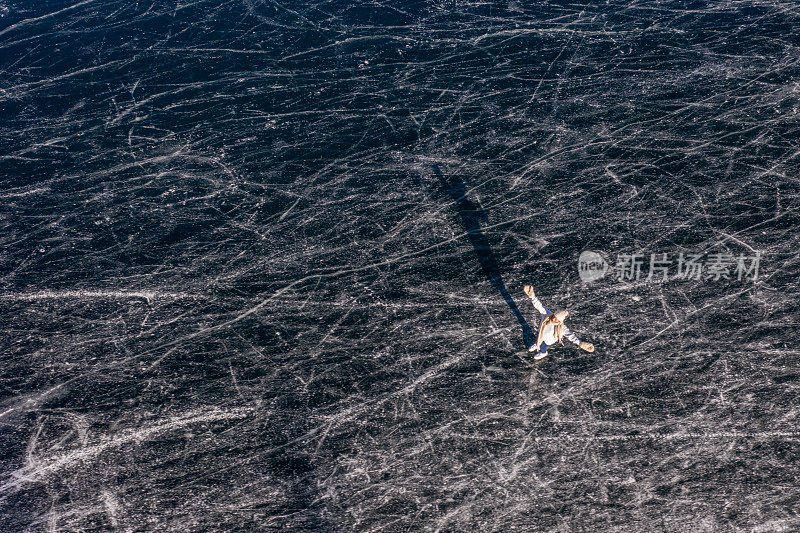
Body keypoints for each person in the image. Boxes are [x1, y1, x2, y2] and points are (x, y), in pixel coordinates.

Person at [523, 285, 594, 360]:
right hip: (541, 333)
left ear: (560, 321)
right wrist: (532, 297)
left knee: (543, 347)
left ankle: (543, 352)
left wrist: (580, 343)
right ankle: (537, 344)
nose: (554, 319)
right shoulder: (547, 315)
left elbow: (570, 335)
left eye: (556, 319)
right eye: (554, 317)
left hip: (549, 340)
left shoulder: (562, 328)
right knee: (538, 339)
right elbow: (539, 306)